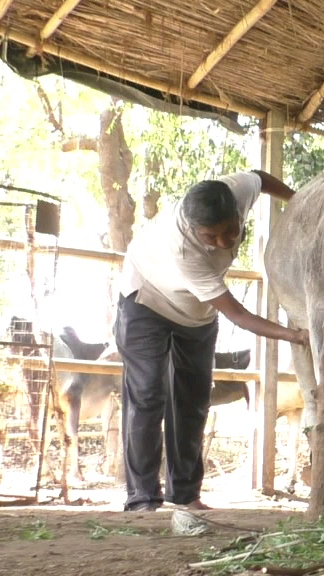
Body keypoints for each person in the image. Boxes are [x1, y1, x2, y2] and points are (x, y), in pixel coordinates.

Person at [114, 170, 305, 512]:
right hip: (146, 301)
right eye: (210, 237)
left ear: (236, 210)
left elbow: (260, 178)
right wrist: (294, 335)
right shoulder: (183, 250)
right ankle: (143, 497)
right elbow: (239, 315)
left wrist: (297, 200)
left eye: (230, 231)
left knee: (193, 400)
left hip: (196, 314)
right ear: (192, 228)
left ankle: (185, 494)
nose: (223, 243)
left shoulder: (238, 190)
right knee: (147, 394)